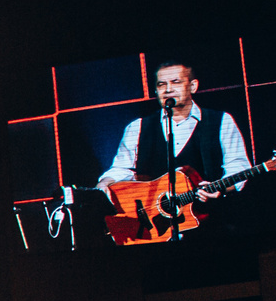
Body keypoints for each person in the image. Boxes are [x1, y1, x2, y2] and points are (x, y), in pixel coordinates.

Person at [97, 60, 254, 207]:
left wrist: (222, 188)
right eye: (161, 85)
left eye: (176, 82)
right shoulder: (137, 127)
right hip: (155, 221)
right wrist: (105, 182)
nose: (168, 90)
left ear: (193, 86)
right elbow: (123, 169)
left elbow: (237, 166)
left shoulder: (221, 120)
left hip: (211, 218)